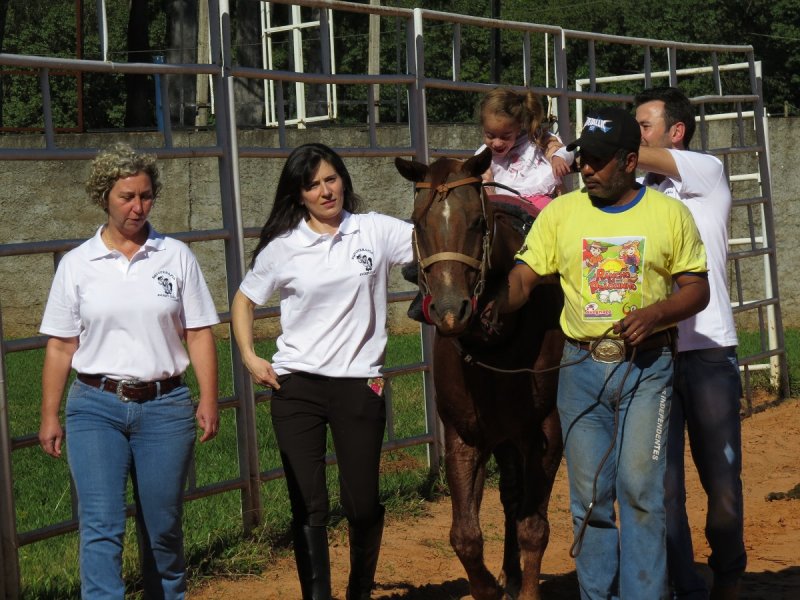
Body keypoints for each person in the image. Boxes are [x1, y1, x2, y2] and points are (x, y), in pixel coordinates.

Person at [492, 106, 710, 599]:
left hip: (648, 369)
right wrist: (493, 304)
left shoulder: (669, 214)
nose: (585, 168)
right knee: (589, 499)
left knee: (640, 493)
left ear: (630, 161)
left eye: (597, 160)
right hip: (580, 368)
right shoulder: (562, 214)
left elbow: (697, 289)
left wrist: (657, 313)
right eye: (582, 158)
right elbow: (525, 277)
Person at [230, 143, 413, 600]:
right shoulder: (284, 248)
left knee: (363, 503)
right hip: (297, 387)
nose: (325, 190)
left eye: (331, 179)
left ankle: (359, 592)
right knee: (308, 503)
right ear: (299, 195)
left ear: (344, 180)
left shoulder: (375, 230)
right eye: (312, 184)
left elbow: (436, 239)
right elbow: (243, 300)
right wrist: (251, 357)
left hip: (360, 384)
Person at [38, 142, 220, 599]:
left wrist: (209, 398)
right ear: (105, 196)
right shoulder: (78, 265)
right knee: (101, 527)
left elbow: (198, 332)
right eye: (127, 197)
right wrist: (49, 414)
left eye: (145, 195)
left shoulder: (175, 256)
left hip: (166, 406)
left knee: (163, 528)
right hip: (95, 407)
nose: (138, 206)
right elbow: (61, 346)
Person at [636, 86, 745, 600]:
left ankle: (729, 574)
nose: (636, 136)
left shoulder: (705, 171)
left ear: (675, 132)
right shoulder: (635, 189)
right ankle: (685, 587)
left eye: (644, 125)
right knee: (664, 487)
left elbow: (621, 152)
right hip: (654, 351)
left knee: (721, 483)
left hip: (708, 350)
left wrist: (587, 146)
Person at [476, 87, 574, 214]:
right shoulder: (485, 154)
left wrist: (558, 157)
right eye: (490, 136)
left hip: (540, 198)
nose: (497, 143)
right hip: (505, 204)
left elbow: (567, 151)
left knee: (553, 215)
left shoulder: (536, 139)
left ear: (518, 128)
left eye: (505, 137)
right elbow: (485, 185)